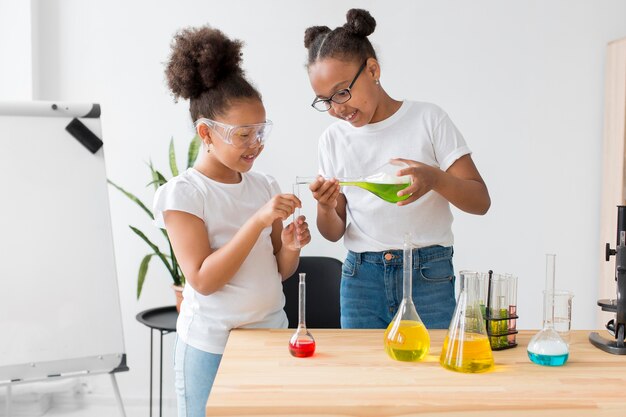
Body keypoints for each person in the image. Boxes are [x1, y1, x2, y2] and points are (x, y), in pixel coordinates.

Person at [154, 25, 310, 417]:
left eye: (260, 132)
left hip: (271, 334)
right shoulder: (184, 193)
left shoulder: (263, 185)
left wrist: (290, 246)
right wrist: (257, 222)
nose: (256, 144)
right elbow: (203, 280)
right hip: (213, 348)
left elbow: (279, 270)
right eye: (244, 135)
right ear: (206, 132)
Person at [303, 9, 490, 330]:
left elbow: (480, 201)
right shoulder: (333, 139)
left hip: (428, 274)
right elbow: (333, 232)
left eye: (342, 92)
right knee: (365, 375)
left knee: (430, 372)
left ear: (372, 69)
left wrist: (434, 178)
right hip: (361, 278)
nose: (337, 108)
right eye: (325, 100)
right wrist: (325, 205)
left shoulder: (428, 120)